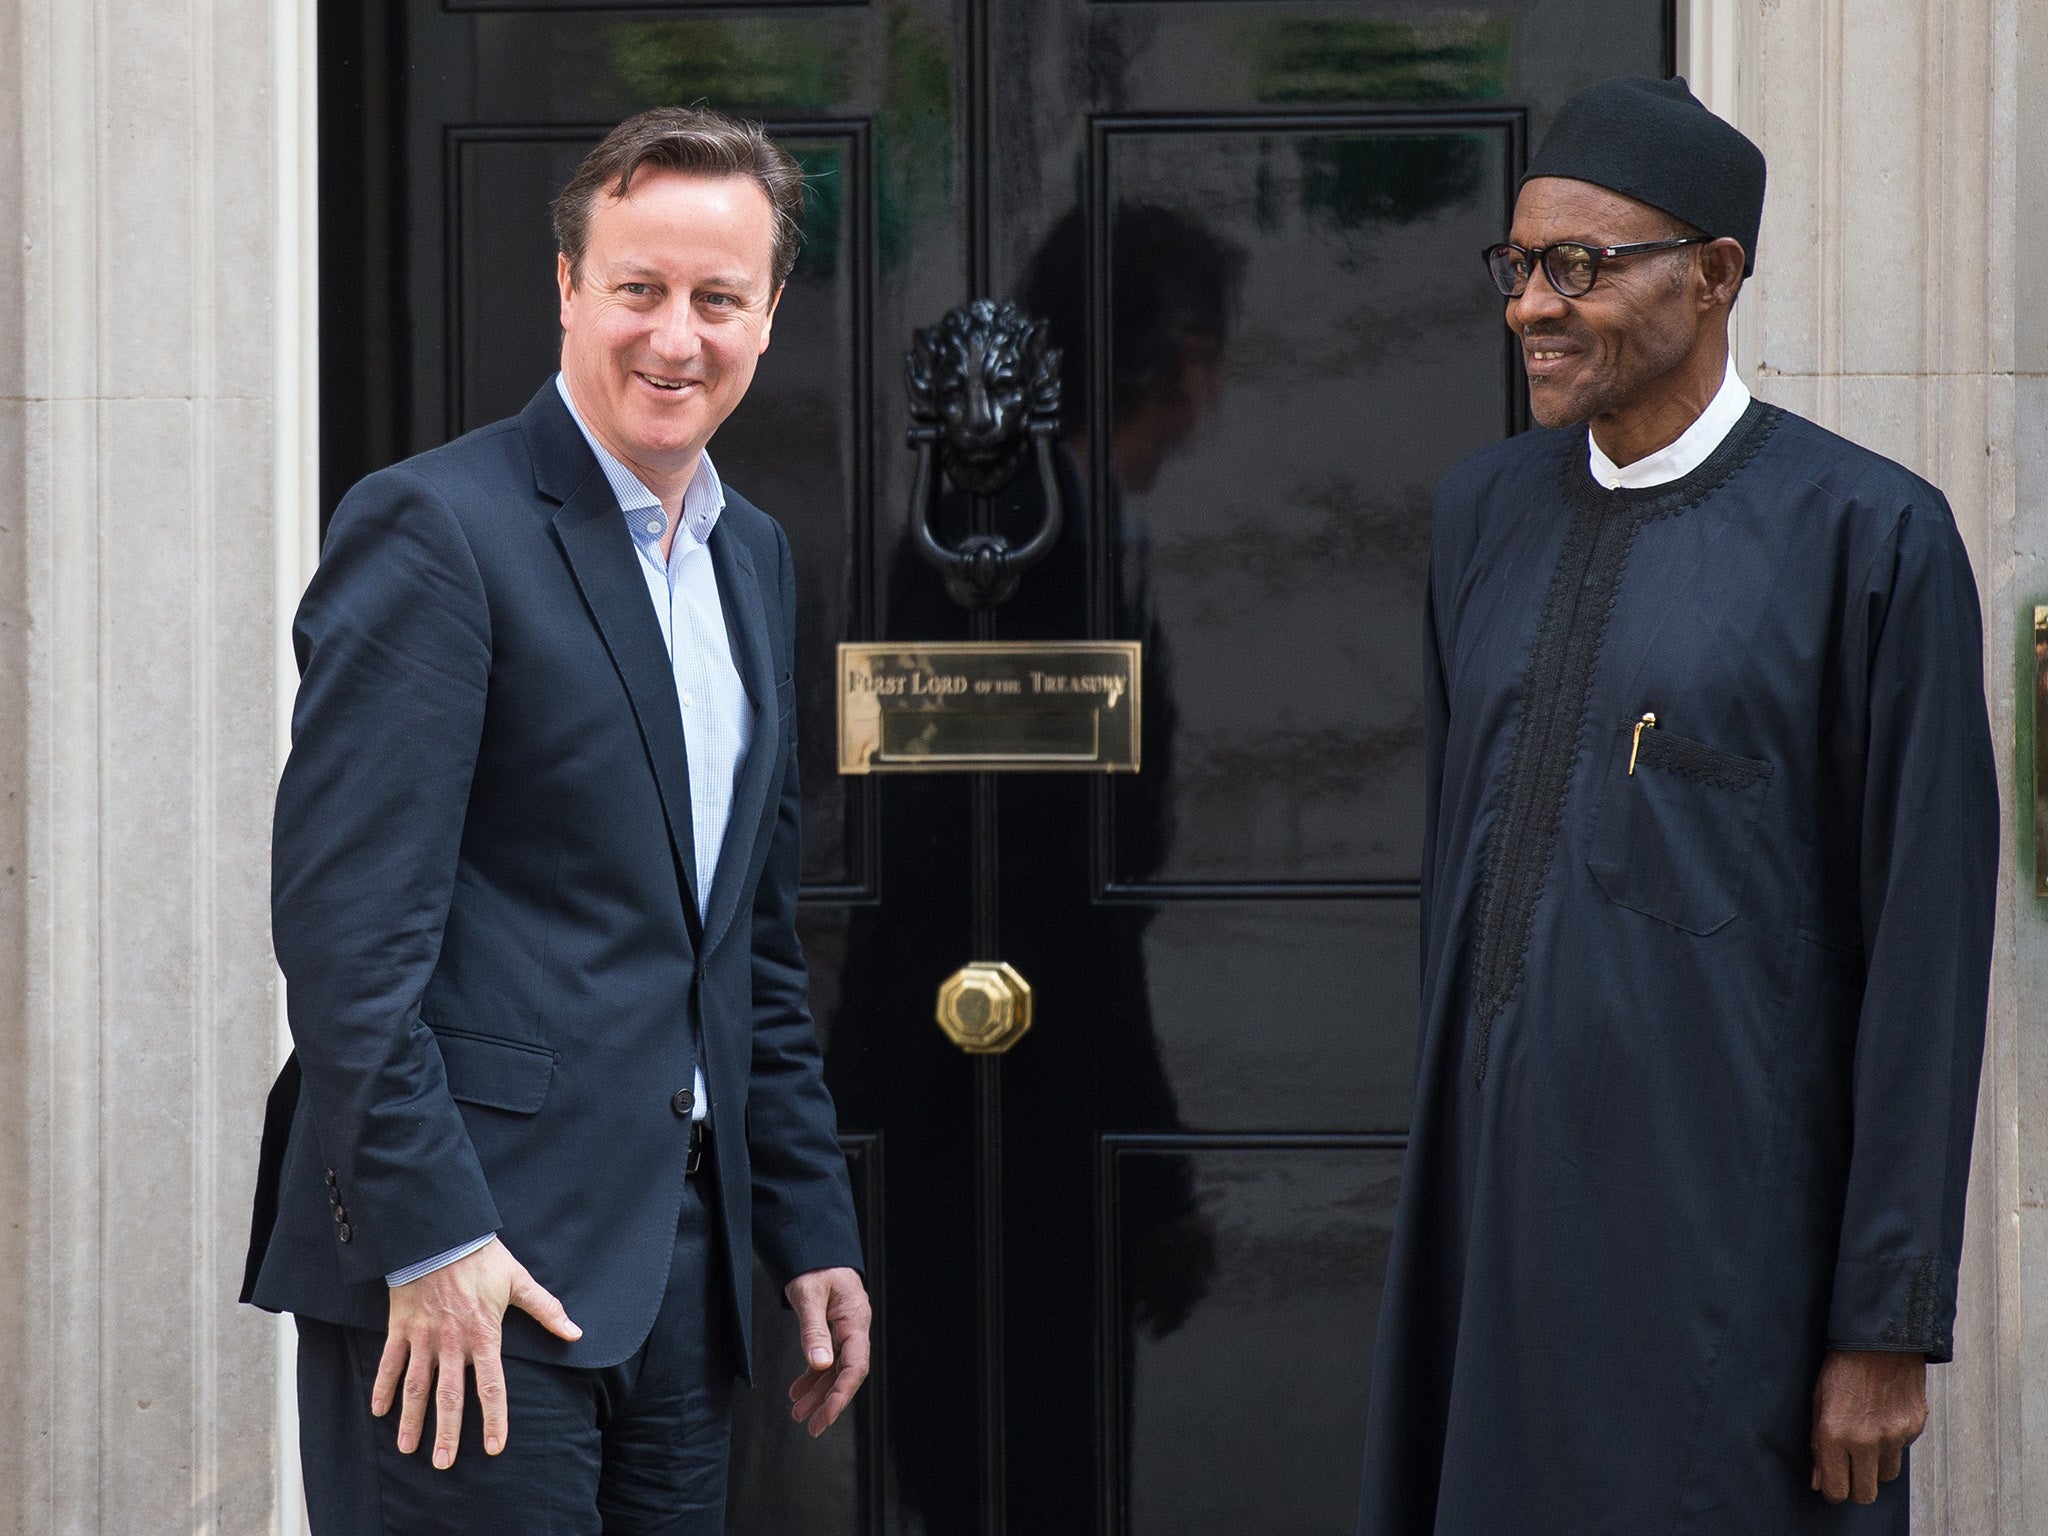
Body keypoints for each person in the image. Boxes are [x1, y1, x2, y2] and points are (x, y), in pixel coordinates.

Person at [1357, 76, 1998, 1534]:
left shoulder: (1872, 538)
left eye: (1580, 266)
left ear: (1714, 277)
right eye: (1518, 267)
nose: (1532, 305)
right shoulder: (1481, 513)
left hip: (1734, 1273)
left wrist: (1885, 1320)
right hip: (1492, 1236)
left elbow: (1926, 953)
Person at [240, 107, 869, 1533]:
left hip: (678, 1270)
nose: (676, 338)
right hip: (467, 1266)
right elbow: (348, 941)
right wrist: (431, 1236)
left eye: (718, 299)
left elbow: (746, 945)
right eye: (639, 289)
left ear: (768, 315)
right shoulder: (436, 530)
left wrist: (807, 1224)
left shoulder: (752, 558)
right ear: (570, 288)